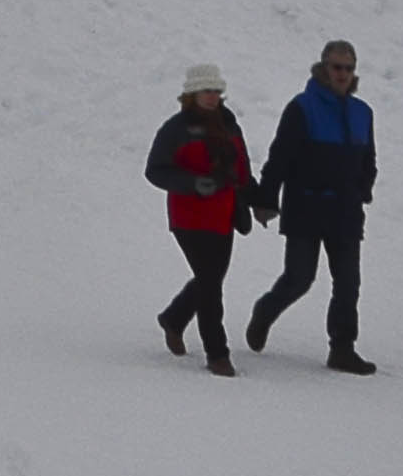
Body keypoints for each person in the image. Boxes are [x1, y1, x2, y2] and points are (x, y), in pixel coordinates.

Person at [249, 41, 381, 373]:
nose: (343, 74)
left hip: (346, 212)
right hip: (305, 207)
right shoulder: (302, 108)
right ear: (324, 68)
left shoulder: (363, 112)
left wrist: (363, 189)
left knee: (348, 283)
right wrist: (266, 199)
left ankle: (342, 349)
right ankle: (265, 311)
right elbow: (279, 158)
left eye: (348, 68)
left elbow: (368, 159)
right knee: (299, 278)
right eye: (337, 67)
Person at [147, 62, 261, 375]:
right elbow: (155, 171)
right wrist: (194, 184)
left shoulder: (229, 123)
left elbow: (241, 168)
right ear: (192, 94)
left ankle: (174, 318)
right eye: (205, 91)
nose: (212, 96)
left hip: (224, 215)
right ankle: (217, 353)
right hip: (189, 218)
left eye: (216, 91)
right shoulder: (175, 129)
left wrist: (258, 200)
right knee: (211, 284)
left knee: (210, 278)